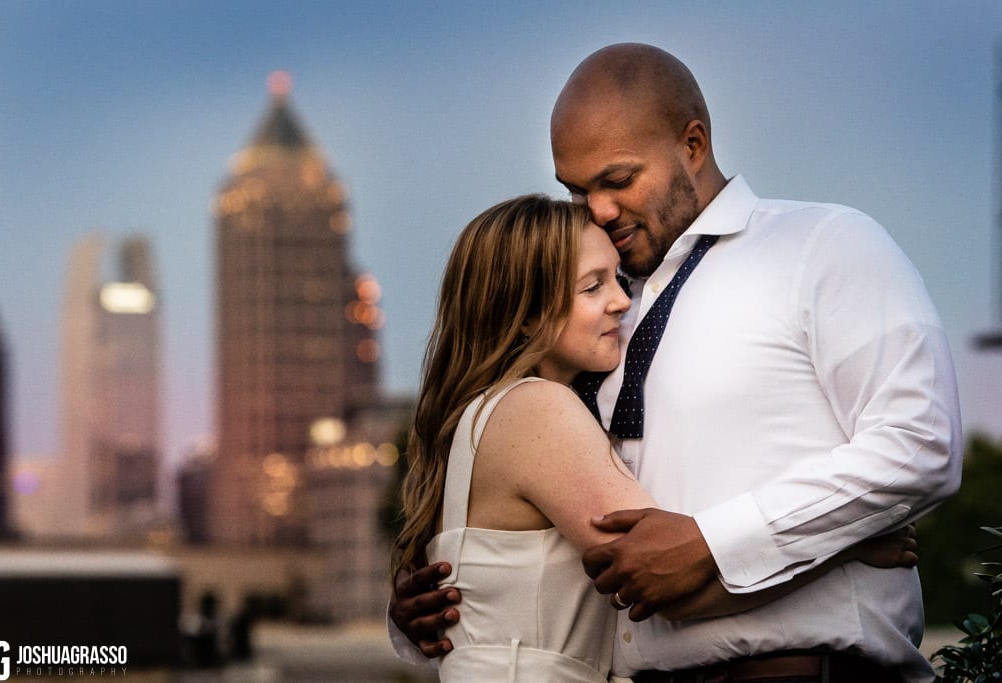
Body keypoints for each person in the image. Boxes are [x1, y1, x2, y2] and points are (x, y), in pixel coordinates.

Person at [390, 44, 964, 682]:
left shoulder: (825, 245)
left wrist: (718, 542)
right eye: (578, 191)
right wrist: (449, 602)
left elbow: (921, 443)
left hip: (803, 669)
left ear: (693, 145)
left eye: (617, 180)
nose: (600, 210)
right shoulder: (590, 317)